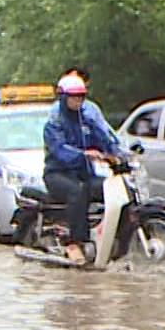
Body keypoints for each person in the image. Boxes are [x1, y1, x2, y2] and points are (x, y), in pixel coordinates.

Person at [41, 71, 123, 264]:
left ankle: (116, 240)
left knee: (114, 189)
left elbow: (103, 138)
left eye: (81, 97)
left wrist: (116, 154)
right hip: (57, 175)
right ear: (63, 97)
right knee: (78, 191)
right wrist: (83, 155)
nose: (78, 101)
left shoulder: (86, 119)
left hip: (84, 173)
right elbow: (60, 151)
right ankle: (76, 242)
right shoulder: (54, 124)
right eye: (74, 97)